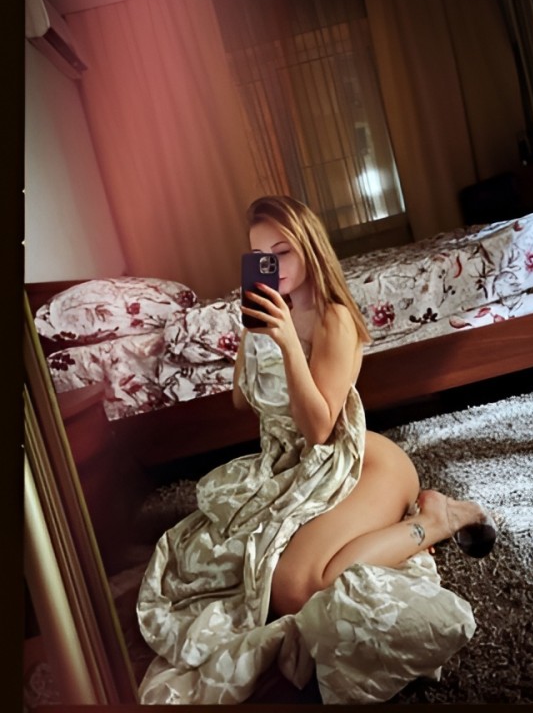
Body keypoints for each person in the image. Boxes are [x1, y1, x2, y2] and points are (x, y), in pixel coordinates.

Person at [136, 195, 494, 705]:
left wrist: (287, 343)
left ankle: (437, 518)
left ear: (309, 247)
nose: (272, 265)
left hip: (357, 462)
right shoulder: (271, 315)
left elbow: (321, 430)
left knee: (296, 588)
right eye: (260, 256)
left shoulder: (334, 320)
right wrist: (255, 339)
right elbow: (243, 400)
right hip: (293, 468)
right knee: (227, 573)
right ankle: (400, 527)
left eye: (282, 251)